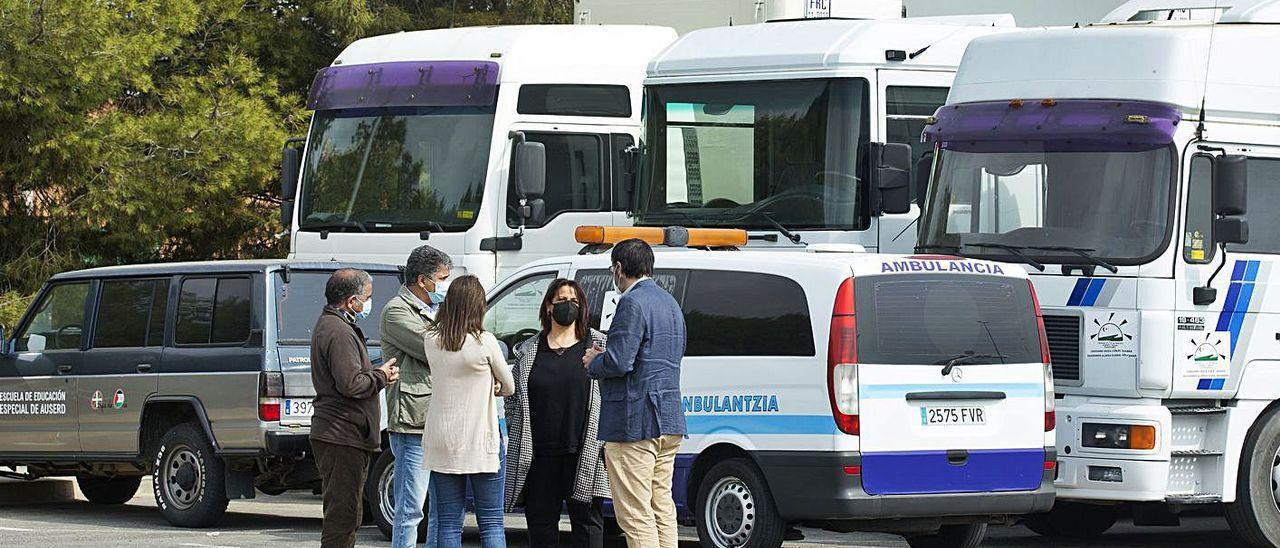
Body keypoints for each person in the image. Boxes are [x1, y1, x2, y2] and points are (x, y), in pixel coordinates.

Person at [583, 239, 686, 548]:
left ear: (618, 268)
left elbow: (620, 361)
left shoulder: (631, 302)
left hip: (634, 423)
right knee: (662, 508)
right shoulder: (670, 303)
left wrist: (594, 360)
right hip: (668, 418)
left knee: (635, 514)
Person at [504, 279, 610, 548]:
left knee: (587, 528)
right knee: (541, 529)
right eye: (561, 300)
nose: (568, 306)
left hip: (584, 453)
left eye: (574, 301)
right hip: (539, 457)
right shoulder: (528, 350)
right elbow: (513, 399)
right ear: (549, 307)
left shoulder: (597, 345)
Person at [421, 275, 515, 548]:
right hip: (480, 440)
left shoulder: (430, 339)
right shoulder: (484, 341)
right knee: (492, 523)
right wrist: (492, 383)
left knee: (449, 522)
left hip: (441, 440)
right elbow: (508, 385)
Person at [311, 268, 401, 548]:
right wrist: (381, 376)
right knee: (343, 517)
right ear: (352, 301)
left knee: (348, 514)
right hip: (341, 434)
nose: (369, 304)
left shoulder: (335, 326)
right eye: (368, 297)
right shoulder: (338, 331)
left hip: (345, 434)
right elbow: (351, 383)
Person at [381, 245, 451, 548]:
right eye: (442, 278)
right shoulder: (397, 311)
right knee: (410, 510)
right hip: (413, 423)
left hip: (438, 419)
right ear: (423, 280)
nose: (445, 285)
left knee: (440, 509)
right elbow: (435, 347)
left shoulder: (435, 310)